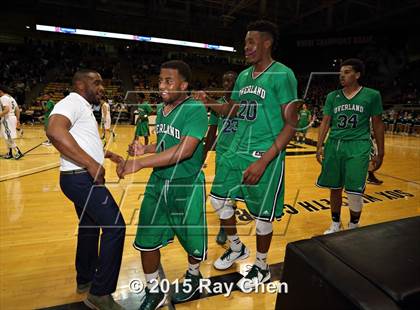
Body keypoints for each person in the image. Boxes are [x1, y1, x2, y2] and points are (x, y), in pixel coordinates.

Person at [195, 20, 299, 291]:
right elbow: (234, 110)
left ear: (267, 43)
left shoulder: (283, 75)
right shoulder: (242, 77)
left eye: (251, 42)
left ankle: (262, 266)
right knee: (218, 200)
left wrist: (264, 161)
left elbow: (291, 124)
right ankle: (237, 248)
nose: (246, 47)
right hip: (237, 151)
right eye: (245, 43)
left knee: (263, 216)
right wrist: (209, 102)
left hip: (264, 155)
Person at [117, 60, 208, 308]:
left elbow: (186, 150)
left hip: (185, 184)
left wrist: (141, 163)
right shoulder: (162, 108)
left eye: (169, 81)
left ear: (184, 84)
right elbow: (165, 145)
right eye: (160, 80)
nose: (162, 86)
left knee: (191, 239)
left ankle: (193, 275)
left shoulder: (195, 110)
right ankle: (153, 290)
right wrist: (143, 149)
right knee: (146, 237)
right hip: (158, 181)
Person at [46, 69, 126, 310]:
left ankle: (86, 279)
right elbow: (54, 131)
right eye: (97, 82)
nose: (102, 87)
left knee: (89, 227)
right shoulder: (73, 101)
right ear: (80, 85)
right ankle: (100, 294)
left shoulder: (83, 106)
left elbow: (82, 141)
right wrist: (91, 163)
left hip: (76, 177)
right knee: (115, 227)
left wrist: (108, 155)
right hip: (81, 178)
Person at [316, 58, 385, 234]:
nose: (342, 76)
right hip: (335, 145)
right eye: (341, 73)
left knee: (354, 191)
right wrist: (319, 146)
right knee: (335, 187)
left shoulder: (372, 95)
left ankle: (354, 225)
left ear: (357, 75)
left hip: (358, 145)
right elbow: (325, 122)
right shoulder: (333, 96)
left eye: (346, 72)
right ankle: (335, 223)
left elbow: (377, 124)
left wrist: (381, 152)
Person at [204, 71, 238, 246]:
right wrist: (203, 154)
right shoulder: (217, 105)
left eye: (231, 80)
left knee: (234, 192)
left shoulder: (242, 103)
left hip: (240, 154)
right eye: (225, 80)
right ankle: (224, 227)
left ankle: (230, 217)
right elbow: (211, 133)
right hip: (223, 154)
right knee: (222, 193)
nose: (227, 83)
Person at [0, 85, 23, 159]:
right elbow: (17, 109)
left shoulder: (3, 98)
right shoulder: (11, 98)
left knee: (8, 137)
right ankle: (10, 153)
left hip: (7, 118)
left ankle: (18, 152)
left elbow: (6, 110)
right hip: (12, 117)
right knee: (7, 136)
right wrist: (18, 120)